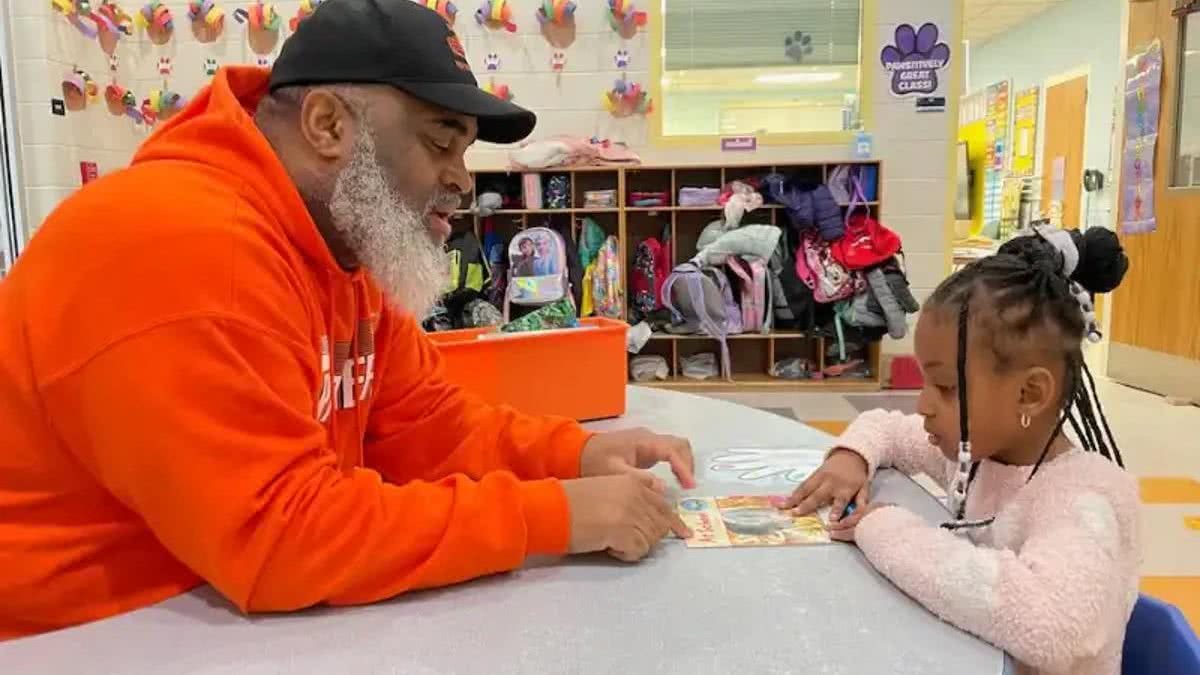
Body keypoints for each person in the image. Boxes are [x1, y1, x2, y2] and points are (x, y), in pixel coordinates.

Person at [0, 0, 694, 640]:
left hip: (196, 615)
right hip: (72, 635)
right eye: (439, 141)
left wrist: (577, 456)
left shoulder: (339, 245)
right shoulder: (184, 240)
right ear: (328, 125)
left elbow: (425, 424)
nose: (463, 178)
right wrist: (559, 515)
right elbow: (282, 536)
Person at [786, 227, 1138, 675]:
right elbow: (886, 428)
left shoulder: (1086, 498)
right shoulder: (979, 454)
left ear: (1030, 393)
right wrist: (850, 457)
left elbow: (1054, 625)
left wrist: (883, 526)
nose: (923, 405)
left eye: (947, 388)